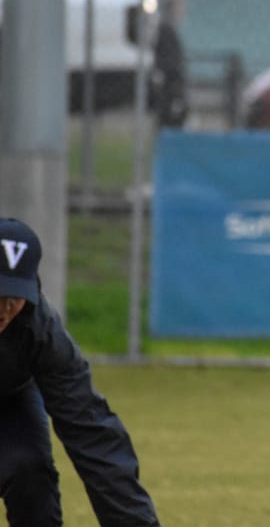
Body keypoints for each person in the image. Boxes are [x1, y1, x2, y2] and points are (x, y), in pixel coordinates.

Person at [0, 217, 161, 526]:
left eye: (14, 296)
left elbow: (91, 431)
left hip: (9, 395)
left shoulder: (42, 333)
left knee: (30, 471)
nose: (4, 309)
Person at [153, 0, 189, 129]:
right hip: (170, 86)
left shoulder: (169, 31)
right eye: (179, 10)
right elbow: (168, 61)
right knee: (171, 117)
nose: (182, 14)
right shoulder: (165, 31)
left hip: (173, 85)